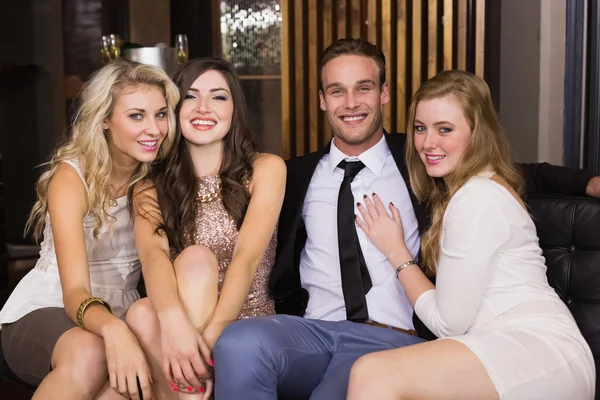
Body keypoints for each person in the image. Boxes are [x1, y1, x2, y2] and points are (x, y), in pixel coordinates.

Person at [212, 38, 600, 399]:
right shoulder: (291, 175)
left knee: (346, 384)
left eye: (363, 88)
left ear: (382, 94)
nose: (350, 103)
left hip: (394, 338)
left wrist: (588, 182)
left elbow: (513, 172)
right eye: (337, 91)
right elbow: (217, 212)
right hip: (313, 330)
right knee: (238, 343)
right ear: (322, 100)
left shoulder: (423, 161)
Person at [347, 69, 596, 399]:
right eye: (420, 128)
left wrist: (396, 252)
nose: (427, 143)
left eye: (444, 129)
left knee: (371, 373)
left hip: (536, 351)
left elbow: (448, 325)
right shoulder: (468, 190)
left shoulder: (476, 197)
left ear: (476, 133)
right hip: (499, 346)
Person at [0, 58, 180, 400]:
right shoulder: (71, 178)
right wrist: (115, 329)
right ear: (106, 121)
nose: (155, 129)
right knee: (91, 353)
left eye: (160, 114)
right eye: (136, 116)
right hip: (50, 305)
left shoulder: (149, 184)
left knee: (126, 383)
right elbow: (75, 292)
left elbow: (156, 258)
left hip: (121, 311)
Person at [125, 58, 285, 399]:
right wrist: (175, 327)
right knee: (141, 311)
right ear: (174, 109)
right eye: (191, 96)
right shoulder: (148, 189)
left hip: (246, 324)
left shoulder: (265, 170)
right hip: (179, 333)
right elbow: (153, 259)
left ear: (234, 109)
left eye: (218, 97)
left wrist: (204, 345)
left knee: (192, 262)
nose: (203, 108)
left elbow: (246, 259)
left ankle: (190, 385)